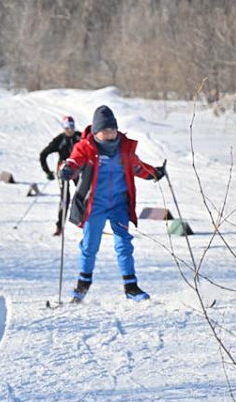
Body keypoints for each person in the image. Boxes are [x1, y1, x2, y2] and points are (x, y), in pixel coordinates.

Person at [59, 105, 165, 303]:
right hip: (95, 204)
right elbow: (74, 162)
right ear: (96, 131)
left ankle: (131, 287)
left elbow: (137, 167)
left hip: (119, 204)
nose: (110, 134)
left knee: (124, 243)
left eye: (112, 129)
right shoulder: (85, 147)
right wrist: (66, 169)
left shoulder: (124, 149)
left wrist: (154, 173)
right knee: (90, 245)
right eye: (105, 130)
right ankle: (83, 284)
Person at [40, 116, 82, 236]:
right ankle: (60, 226)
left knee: (82, 195)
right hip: (63, 171)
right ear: (64, 128)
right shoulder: (59, 140)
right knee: (65, 198)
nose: (70, 130)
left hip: (77, 170)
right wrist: (47, 172)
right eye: (67, 128)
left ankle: (84, 222)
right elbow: (43, 154)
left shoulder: (80, 137)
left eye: (72, 127)